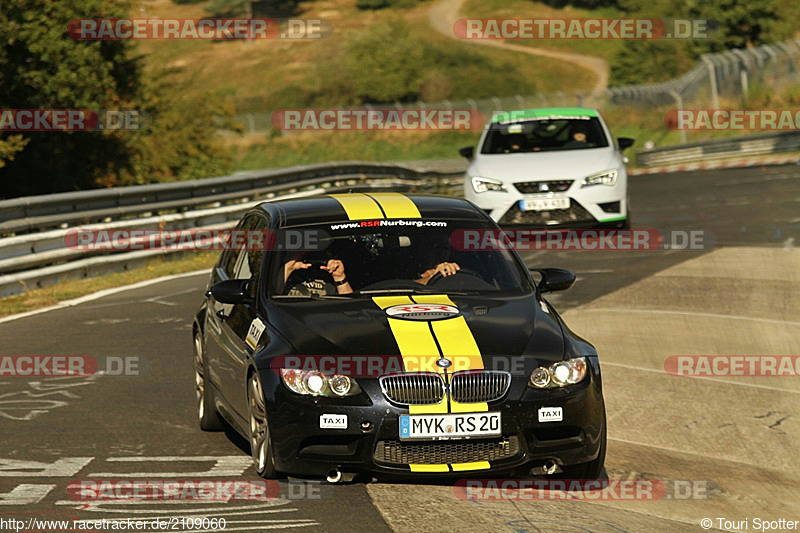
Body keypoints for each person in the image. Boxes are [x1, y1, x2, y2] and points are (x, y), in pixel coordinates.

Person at [283, 254, 353, 296]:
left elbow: (350, 308)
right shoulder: (279, 271)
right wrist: (288, 269)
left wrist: (339, 277)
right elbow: (273, 304)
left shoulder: (329, 273)